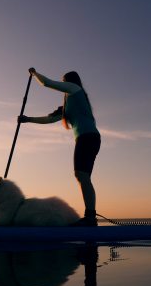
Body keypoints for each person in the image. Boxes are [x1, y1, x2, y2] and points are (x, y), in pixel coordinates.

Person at [19, 68, 101, 227]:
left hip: (88, 137)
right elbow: (49, 119)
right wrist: (28, 119)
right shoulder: (68, 105)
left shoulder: (75, 90)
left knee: (82, 176)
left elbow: (47, 83)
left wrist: (34, 74)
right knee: (82, 176)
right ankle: (90, 216)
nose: (63, 84)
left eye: (64, 81)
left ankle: (90, 218)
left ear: (70, 81)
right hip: (86, 139)